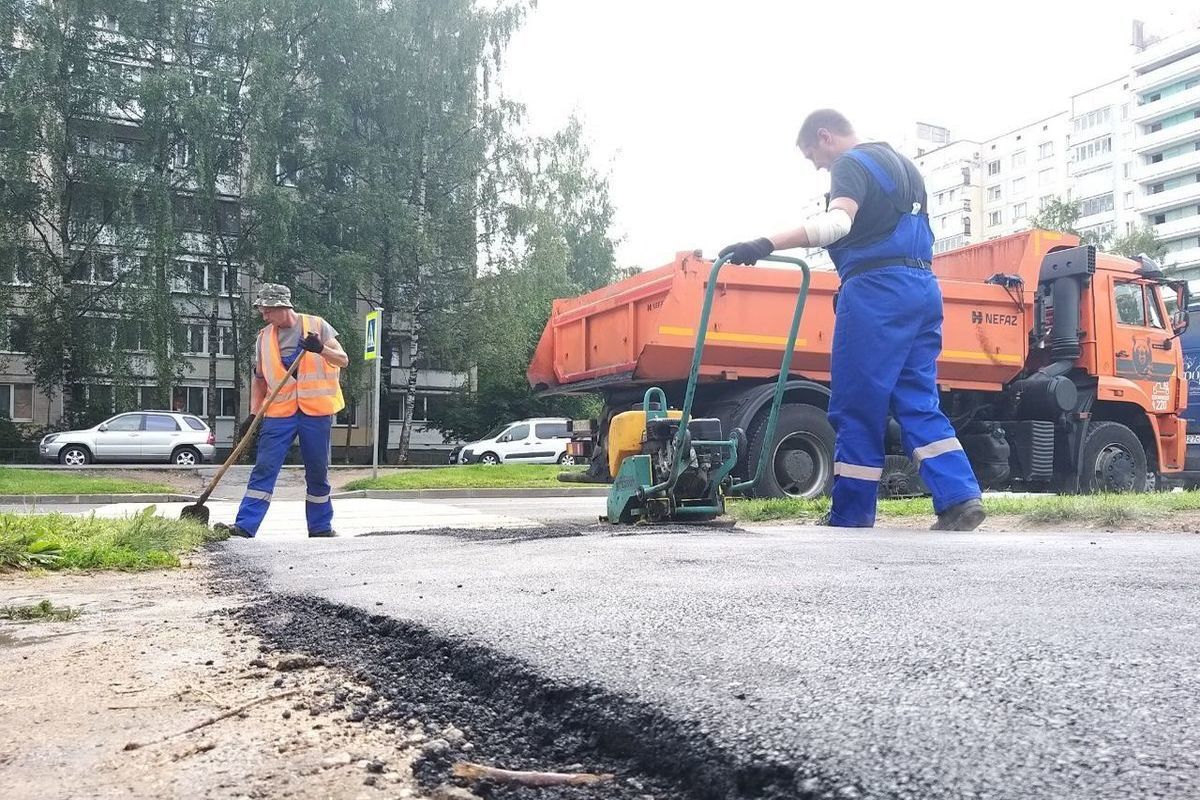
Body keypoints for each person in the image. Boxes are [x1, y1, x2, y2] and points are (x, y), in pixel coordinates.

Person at [719, 109, 984, 531]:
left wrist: (763, 243)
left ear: (825, 137)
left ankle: (851, 514)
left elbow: (836, 223)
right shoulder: (905, 168)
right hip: (922, 289)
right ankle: (960, 499)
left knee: (856, 406)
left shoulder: (850, 164)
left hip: (877, 294)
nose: (818, 166)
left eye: (812, 156)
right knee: (917, 400)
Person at [216, 283, 349, 539]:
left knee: (317, 470)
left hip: (315, 413)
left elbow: (343, 360)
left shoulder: (317, 326)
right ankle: (245, 526)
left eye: (267, 311)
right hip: (279, 414)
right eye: (263, 312)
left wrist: (320, 348)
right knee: (264, 468)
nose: (264, 316)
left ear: (283, 307)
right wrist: (254, 414)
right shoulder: (264, 337)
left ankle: (320, 527)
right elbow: (260, 379)